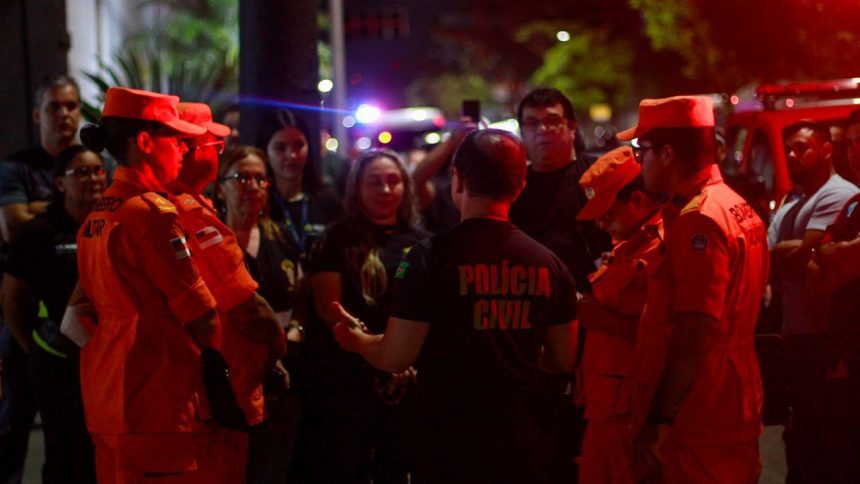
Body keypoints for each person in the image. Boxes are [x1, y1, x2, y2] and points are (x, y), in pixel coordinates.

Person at [334, 129, 578, 484]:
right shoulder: (551, 265)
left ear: (458, 179)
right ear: (520, 185)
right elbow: (562, 360)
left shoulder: (427, 259)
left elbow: (396, 356)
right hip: (521, 445)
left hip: (447, 446)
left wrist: (357, 339)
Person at [75, 86, 230, 482]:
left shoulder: (98, 214)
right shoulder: (152, 217)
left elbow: (79, 315)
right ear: (144, 141)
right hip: (159, 402)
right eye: (175, 138)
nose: (183, 147)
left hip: (111, 398)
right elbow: (202, 315)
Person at [619, 96, 769, 482]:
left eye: (643, 150)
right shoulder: (734, 204)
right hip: (731, 393)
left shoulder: (698, 219)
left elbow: (696, 328)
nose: (639, 162)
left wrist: (663, 417)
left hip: (702, 405)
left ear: (667, 154)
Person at [509, 87, 611, 482]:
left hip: (595, 333)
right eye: (532, 123)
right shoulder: (512, 187)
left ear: (571, 127)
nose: (543, 131)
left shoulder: (598, 177)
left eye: (553, 121)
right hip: (531, 340)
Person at [305, 150, 426, 482]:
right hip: (349, 376)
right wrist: (377, 352)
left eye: (393, 181)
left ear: (405, 187)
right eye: (374, 182)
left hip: (405, 379)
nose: (385, 190)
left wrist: (401, 360)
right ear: (356, 188)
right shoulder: (336, 238)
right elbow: (328, 308)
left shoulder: (420, 242)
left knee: (397, 466)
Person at [2, 146, 104, 483]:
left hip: (105, 361)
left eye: (98, 170)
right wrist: (33, 350)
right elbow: (11, 297)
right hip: (56, 361)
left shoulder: (113, 224)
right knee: (63, 452)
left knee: (101, 450)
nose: (93, 178)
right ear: (60, 183)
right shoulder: (39, 233)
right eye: (82, 172)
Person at [0, 73, 83, 484]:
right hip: (26, 319)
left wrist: (42, 208)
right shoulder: (16, 166)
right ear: (38, 114)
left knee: (70, 437)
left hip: (81, 328)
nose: (64, 115)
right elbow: (13, 225)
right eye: (55, 106)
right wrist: (65, 208)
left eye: (71, 106)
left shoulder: (92, 164)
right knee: (12, 425)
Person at [768, 119, 858, 482]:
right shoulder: (844, 204)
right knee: (806, 445)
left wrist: (825, 253)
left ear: (825, 150)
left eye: (801, 147)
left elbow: (817, 260)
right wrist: (825, 252)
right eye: (850, 142)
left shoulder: (841, 194)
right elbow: (782, 255)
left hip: (827, 341)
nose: (855, 150)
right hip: (819, 341)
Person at [573, 146, 662, 484]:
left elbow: (665, 331)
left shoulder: (658, 249)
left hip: (630, 414)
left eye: (608, 211)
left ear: (637, 201)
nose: (600, 222)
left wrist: (591, 313)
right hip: (608, 405)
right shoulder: (628, 244)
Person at [215, 145, 302, 483]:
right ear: (220, 187)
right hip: (230, 375)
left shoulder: (281, 237)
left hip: (282, 375)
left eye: (260, 179)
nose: (252, 186)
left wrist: (297, 330)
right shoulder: (210, 238)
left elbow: (302, 296)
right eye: (241, 178)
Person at [254, 109, 343, 263]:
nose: (292, 155)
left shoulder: (327, 201)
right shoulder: (257, 203)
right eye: (280, 148)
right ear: (265, 152)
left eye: (299, 145)